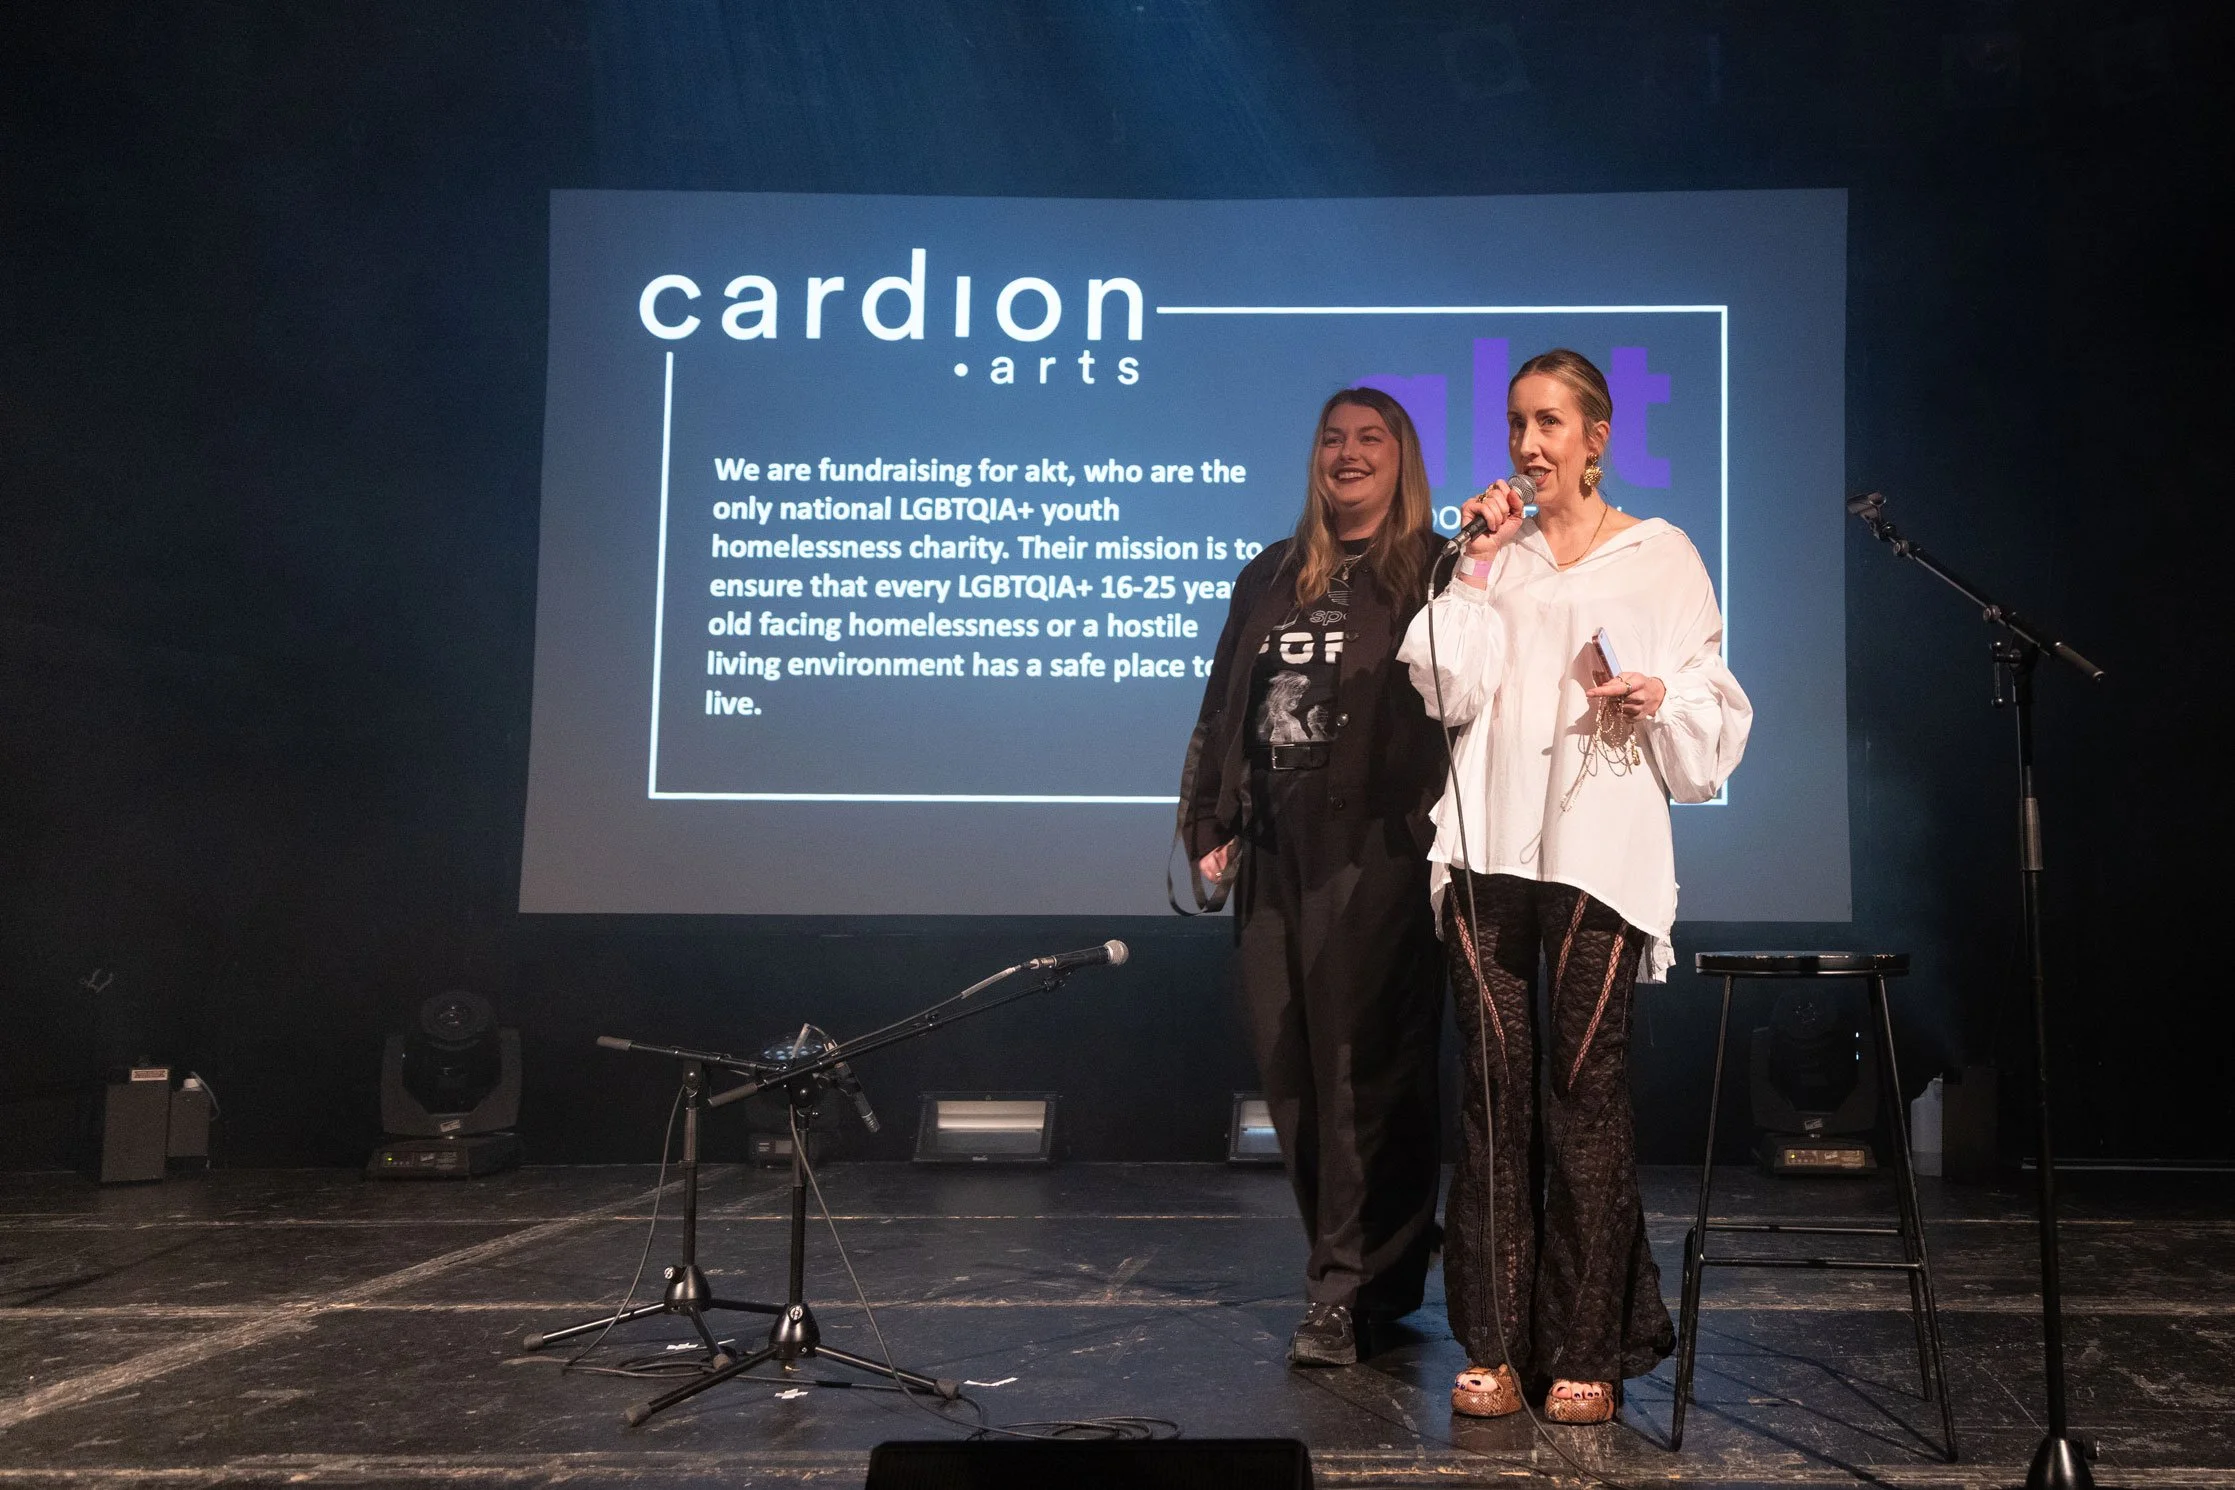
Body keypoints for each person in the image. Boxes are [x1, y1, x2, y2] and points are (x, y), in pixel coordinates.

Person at [1398, 349, 1751, 1424]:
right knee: (1496, 1092)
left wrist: (1658, 695)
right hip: (1487, 845)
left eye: (1549, 422)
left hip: (1599, 856)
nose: (1527, 444)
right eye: (1516, 423)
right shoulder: (1489, 557)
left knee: (1584, 1095)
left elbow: (1715, 706)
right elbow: (1446, 687)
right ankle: (1497, 1343)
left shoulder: (1661, 554)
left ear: (1596, 436)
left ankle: (1586, 1344)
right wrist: (1475, 565)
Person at [1180, 387, 1449, 1367]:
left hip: (1373, 843)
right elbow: (1222, 703)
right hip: (1270, 842)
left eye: (1369, 438)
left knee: (1360, 1064)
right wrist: (1206, 817)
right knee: (1291, 1067)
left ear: (1400, 456)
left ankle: (1342, 1285)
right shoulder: (1272, 574)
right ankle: (1368, 1268)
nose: (1348, 453)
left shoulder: (1432, 569)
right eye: (1333, 438)